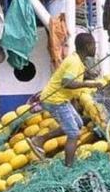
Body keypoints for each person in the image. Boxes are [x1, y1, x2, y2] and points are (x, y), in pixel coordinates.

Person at [40, 31, 105, 167]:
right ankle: (69, 167)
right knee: (74, 133)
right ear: (87, 46)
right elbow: (66, 82)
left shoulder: (78, 61)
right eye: (93, 45)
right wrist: (90, 84)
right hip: (55, 101)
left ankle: (39, 139)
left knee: (78, 124)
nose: (95, 48)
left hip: (61, 100)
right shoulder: (74, 62)